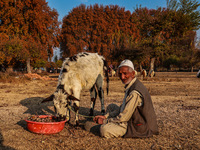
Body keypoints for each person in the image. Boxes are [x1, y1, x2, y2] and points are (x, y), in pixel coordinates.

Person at [84, 59, 159, 138]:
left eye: (125, 73)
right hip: (130, 117)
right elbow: (123, 108)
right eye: (120, 74)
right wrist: (106, 116)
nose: (122, 77)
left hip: (136, 125)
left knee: (104, 130)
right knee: (111, 106)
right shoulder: (131, 84)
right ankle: (107, 123)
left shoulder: (134, 92)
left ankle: (99, 127)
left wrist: (105, 121)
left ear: (133, 73)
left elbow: (124, 117)